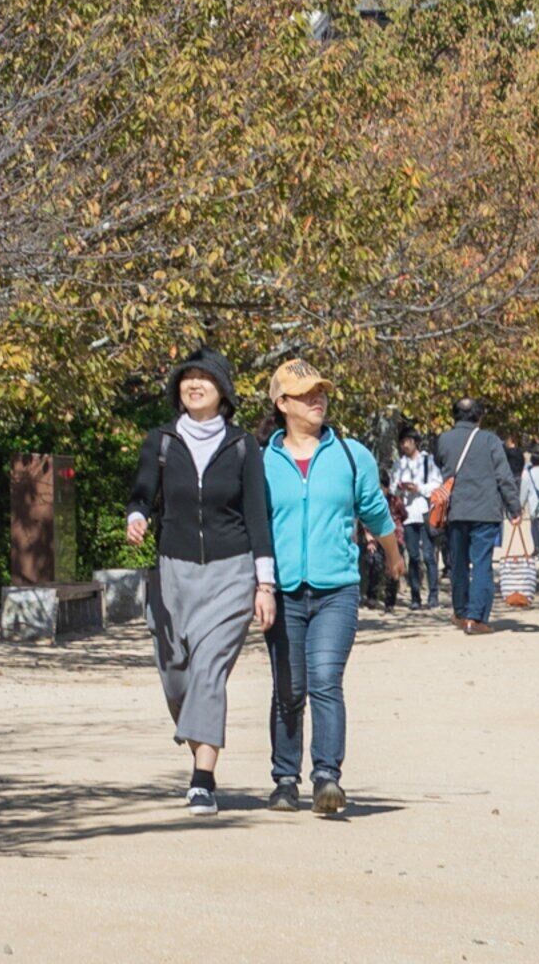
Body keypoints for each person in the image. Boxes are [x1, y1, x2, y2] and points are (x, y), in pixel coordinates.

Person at [124, 349, 273, 813]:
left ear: (222, 390)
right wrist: (137, 516)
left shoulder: (244, 445)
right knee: (176, 676)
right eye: (186, 378)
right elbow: (143, 492)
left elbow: (257, 516)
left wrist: (263, 585)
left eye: (203, 378)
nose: (193, 385)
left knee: (208, 669)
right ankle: (198, 743)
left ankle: (202, 778)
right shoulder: (162, 441)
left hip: (232, 571)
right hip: (174, 571)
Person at [257, 359, 396, 818]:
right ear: (281, 404)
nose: (318, 400)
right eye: (305, 394)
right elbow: (249, 526)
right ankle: (283, 779)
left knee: (324, 681)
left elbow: (374, 511)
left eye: (321, 392)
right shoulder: (261, 462)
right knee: (288, 687)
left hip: (337, 588)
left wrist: (395, 555)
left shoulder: (350, 454)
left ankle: (326, 778)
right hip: (282, 590)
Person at [432, 398, 515, 633]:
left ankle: (459, 612)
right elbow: (504, 476)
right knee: (481, 563)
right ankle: (476, 618)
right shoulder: (490, 440)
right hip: (486, 511)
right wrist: (514, 508)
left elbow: (441, 463)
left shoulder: (443, 439)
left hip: (455, 510)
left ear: (454, 415)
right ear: (480, 416)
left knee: (458, 563)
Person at [389, 433, 443, 611]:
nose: (404, 445)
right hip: (408, 514)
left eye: (407, 441)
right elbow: (392, 487)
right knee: (413, 556)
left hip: (425, 512)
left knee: (429, 556)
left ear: (414, 443)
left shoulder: (428, 462)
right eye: (402, 442)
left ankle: (433, 595)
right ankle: (415, 596)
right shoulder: (399, 464)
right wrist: (399, 488)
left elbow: (437, 485)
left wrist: (419, 488)